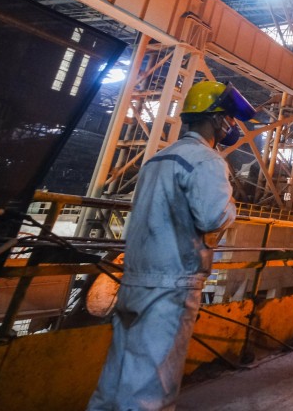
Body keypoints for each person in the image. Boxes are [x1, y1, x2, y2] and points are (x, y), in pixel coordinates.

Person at [88, 80, 255, 411]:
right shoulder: (207, 161)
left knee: (114, 383)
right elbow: (212, 218)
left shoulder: (158, 159)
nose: (232, 125)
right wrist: (231, 207)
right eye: (229, 118)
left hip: (134, 281)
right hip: (171, 284)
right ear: (215, 118)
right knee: (152, 389)